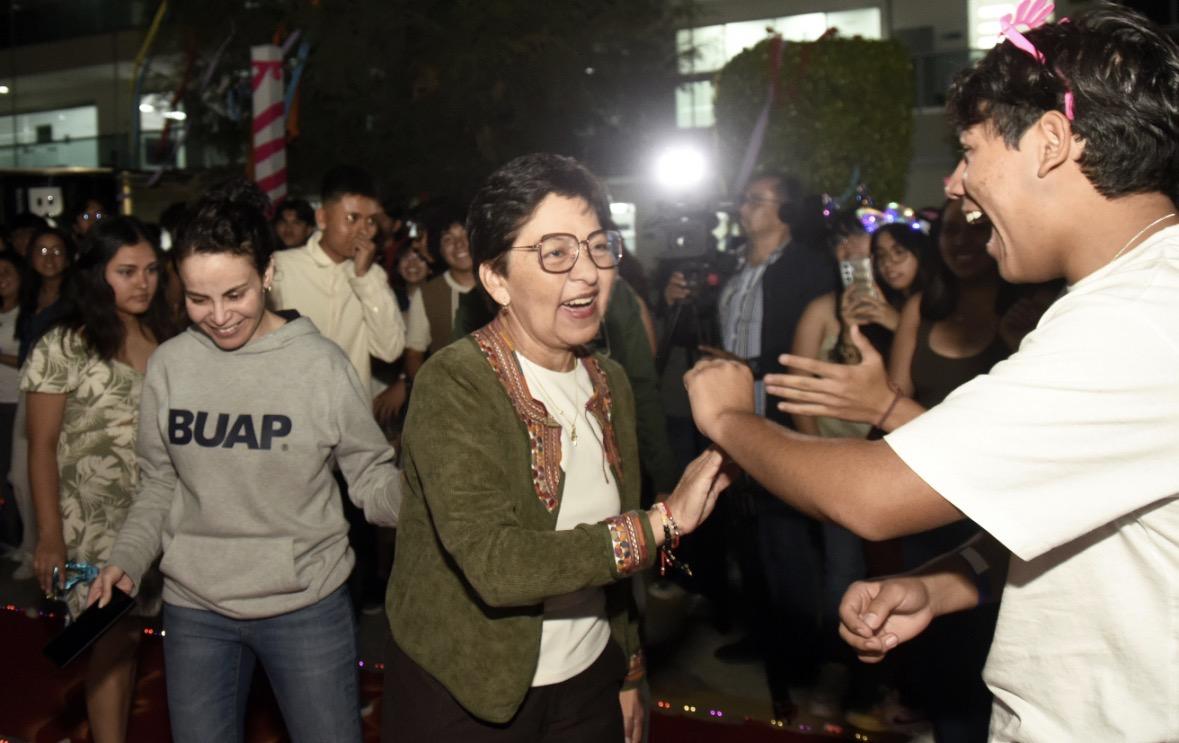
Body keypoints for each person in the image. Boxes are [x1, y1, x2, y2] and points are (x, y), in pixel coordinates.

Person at [685, 6, 1179, 740]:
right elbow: (1098, 524)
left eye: (970, 150)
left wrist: (728, 418)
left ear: (1049, 142)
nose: (954, 182)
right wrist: (948, 581)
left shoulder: (1137, 317)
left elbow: (874, 495)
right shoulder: (1139, 294)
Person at [383, 153, 730, 743]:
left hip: (589, 679)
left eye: (598, 247)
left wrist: (628, 670)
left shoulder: (609, 382)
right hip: (472, 690)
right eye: (556, 253)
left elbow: (616, 558)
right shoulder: (456, 382)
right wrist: (662, 524)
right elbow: (497, 564)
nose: (588, 273)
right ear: (496, 279)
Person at [87, 180, 401, 743]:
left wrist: (429, 492)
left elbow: (371, 478)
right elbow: (159, 482)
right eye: (198, 299)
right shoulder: (171, 365)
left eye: (235, 294)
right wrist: (127, 559)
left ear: (268, 274)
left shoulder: (319, 365)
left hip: (305, 604)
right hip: (195, 609)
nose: (218, 316)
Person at [24, 216, 176, 743]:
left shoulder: (168, 340)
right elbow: (40, 446)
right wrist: (49, 536)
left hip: (155, 516)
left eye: (151, 270)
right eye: (126, 271)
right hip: (87, 522)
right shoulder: (64, 344)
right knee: (110, 642)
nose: (143, 283)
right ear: (97, 274)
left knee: (128, 641)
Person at [269, 165, 405, 392]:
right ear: (322, 218)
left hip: (350, 409)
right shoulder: (282, 267)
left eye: (371, 221)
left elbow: (389, 350)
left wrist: (364, 278)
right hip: (292, 404)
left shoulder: (373, 277)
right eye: (352, 218)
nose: (364, 231)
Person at [0, 254, 23, 552]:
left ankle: (20, 538)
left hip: (16, 402)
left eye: (7, 271)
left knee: (14, 475)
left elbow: (29, 360)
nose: (1, 277)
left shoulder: (26, 315)